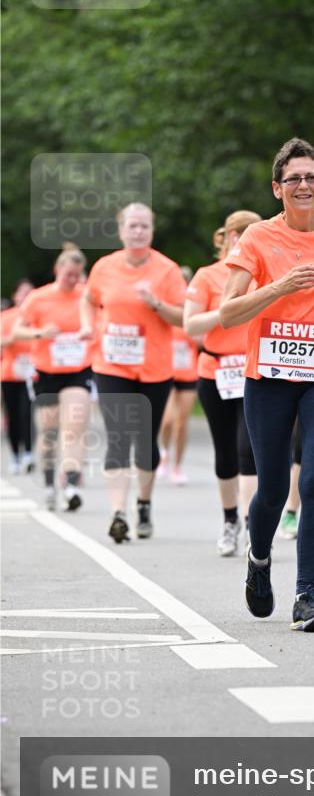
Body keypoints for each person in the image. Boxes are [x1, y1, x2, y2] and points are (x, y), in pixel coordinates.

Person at [220, 136, 314, 631]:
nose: (303, 185)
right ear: (277, 188)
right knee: (270, 487)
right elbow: (227, 311)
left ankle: (306, 597)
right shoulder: (259, 239)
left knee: (313, 481)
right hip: (269, 377)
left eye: (311, 177)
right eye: (293, 178)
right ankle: (259, 560)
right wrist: (280, 286)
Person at [79, 203, 186, 542]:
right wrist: (88, 326)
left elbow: (182, 318)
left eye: (144, 226)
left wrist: (155, 302)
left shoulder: (167, 271)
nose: (138, 231)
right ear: (121, 229)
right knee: (119, 436)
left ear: (151, 232)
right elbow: (88, 299)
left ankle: (143, 503)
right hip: (111, 364)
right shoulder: (104, 267)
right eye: (132, 226)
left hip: (154, 368)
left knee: (145, 443)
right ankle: (117, 513)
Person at [184, 212, 260, 556]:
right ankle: (230, 519)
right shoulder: (208, 276)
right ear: (225, 237)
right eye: (236, 234)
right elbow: (190, 326)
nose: (241, 240)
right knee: (226, 450)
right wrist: (227, 310)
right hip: (214, 372)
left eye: (249, 234)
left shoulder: (265, 275)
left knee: (249, 449)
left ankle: (249, 522)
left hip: (252, 371)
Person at [15, 248, 93, 511]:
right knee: (49, 432)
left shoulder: (87, 295)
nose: (73, 280)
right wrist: (40, 333)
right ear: (57, 270)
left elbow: (101, 322)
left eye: (77, 275)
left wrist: (88, 332)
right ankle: (49, 484)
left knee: (74, 428)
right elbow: (17, 331)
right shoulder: (39, 298)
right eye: (68, 274)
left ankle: (71, 485)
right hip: (46, 372)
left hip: (78, 370)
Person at [158, 266, 199, 485]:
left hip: (188, 373)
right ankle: (164, 453)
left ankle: (177, 466)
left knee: (182, 422)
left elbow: (203, 339)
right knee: (167, 421)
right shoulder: (167, 314)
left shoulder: (193, 312)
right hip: (166, 373)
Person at [1, 279, 36, 474]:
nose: (26, 297)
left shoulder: (37, 315)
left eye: (30, 293)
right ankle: (15, 455)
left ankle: (29, 453)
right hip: (10, 372)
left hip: (32, 373)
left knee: (28, 414)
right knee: (12, 416)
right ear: (15, 296)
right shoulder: (6, 317)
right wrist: (13, 338)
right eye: (23, 293)